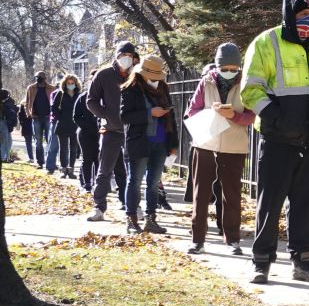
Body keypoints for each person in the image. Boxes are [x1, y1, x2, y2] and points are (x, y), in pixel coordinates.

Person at [240, 0, 309, 285]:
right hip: (278, 138)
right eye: (302, 11)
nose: (308, 17)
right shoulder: (266, 42)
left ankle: (304, 259)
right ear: (289, 12)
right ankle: (262, 260)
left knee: (308, 204)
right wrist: (276, 118)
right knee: (270, 202)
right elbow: (251, 89)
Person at [185, 43, 254, 255]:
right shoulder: (206, 82)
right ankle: (198, 240)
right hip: (205, 143)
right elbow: (191, 111)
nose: (229, 72)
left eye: (234, 69)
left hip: (234, 146)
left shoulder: (247, 84)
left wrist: (234, 115)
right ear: (217, 66)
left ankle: (233, 240)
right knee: (201, 193)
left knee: (231, 195)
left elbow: (252, 115)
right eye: (225, 68)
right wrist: (210, 113)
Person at [120, 56, 178, 234]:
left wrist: (173, 144)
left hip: (160, 143)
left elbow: (171, 117)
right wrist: (149, 113)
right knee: (135, 181)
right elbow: (125, 117)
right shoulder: (130, 89)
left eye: (156, 76)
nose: (154, 80)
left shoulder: (163, 89)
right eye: (150, 76)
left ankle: (150, 219)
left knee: (153, 183)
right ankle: (131, 219)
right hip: (139, 142)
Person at [87, 42, 139, 221]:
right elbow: (91, 100)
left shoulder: (137, 75)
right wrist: (106, 116)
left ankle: (132, 206)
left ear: (134, 57)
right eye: (122, 55)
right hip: (111, 130)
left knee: (133, 172)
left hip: (133, 130)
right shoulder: (104, 75)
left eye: (130, 55)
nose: (126, 59)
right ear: (116, 56)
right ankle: (99, 207)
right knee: (105, 170)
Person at [46, 74, 82, 178]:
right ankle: (63, 169)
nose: (70, 85)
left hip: (75, 125)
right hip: (62, 124)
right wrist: (60, 117)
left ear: (76, 84)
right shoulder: (60, 94)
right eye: (68, 83)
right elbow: (54, 108)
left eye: (72, 83)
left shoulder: (78, 95)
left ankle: (71, 169)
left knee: (74, 148)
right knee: (63, 148)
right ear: (65, 84)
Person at [73, 76, 100, 192]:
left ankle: (98, 183)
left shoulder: (103, 96)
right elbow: (76, 117)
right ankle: (87, 183)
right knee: (87, 159)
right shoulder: (82, 97)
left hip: (100, 132)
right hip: (85, 133)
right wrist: (87, 126)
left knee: (98, 159)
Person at [24, 70, 55, 167]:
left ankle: (50, 162)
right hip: (36, 118)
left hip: (48, 118)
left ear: (45, 78)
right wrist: (29, 114)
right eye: (37, 76)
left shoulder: (51, 88)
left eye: (40, 76)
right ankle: (40, 162)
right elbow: (27, 102)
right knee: (38, 142)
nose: (38, 78)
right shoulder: (31, 88)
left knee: (50, 140)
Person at [0, 89, 17, 162]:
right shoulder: (7, 103)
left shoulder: (9, 102)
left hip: (6, 122)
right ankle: (4, 157)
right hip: (3, 122)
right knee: (5, 141)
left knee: (8, 141)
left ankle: (6, 157)